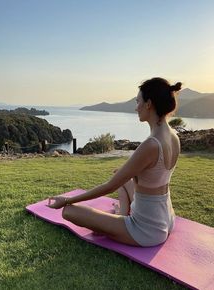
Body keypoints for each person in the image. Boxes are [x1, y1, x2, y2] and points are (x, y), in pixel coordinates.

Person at [48, 77, 182, 247]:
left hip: (147, 230)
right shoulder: (174, 136)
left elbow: (110, 186)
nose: (136, 107)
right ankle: (122, 215)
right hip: (167, 218)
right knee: (120, 177)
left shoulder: (151, 144)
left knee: (69, 212)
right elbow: (154, 175)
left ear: (148, 104)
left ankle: (119, 221)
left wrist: (67, 200)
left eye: (138, 101)